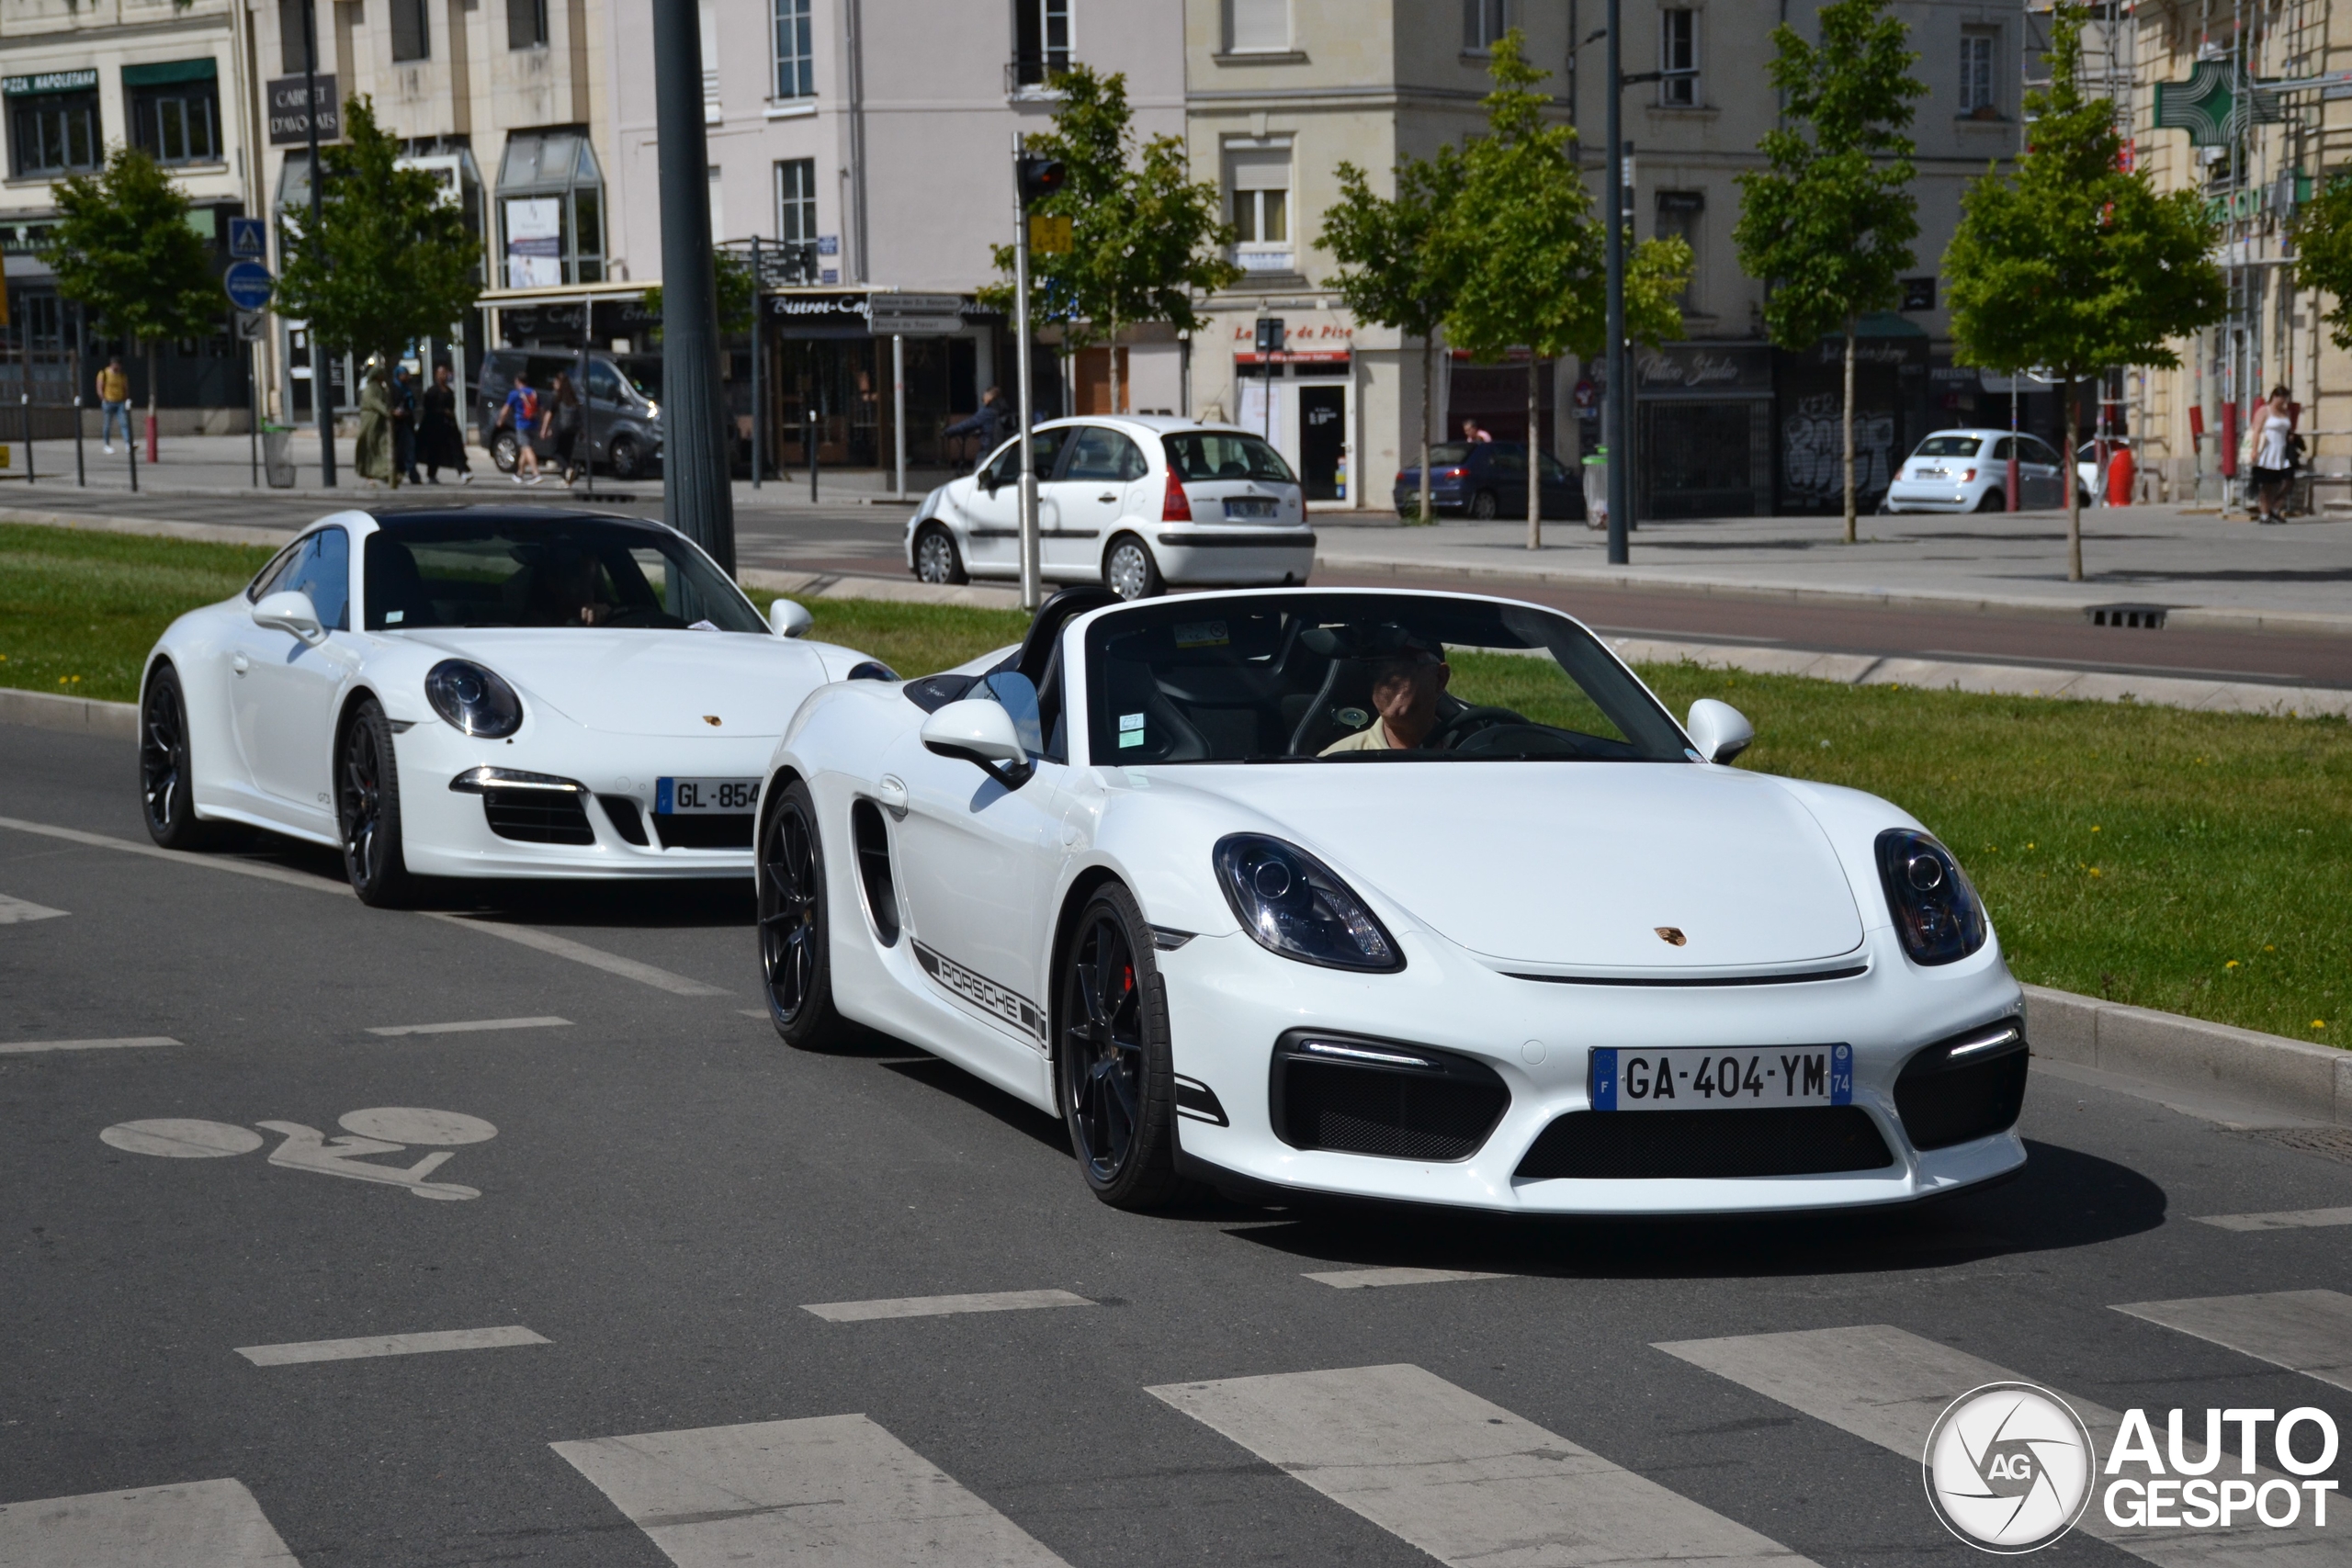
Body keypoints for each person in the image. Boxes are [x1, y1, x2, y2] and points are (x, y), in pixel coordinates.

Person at [1321, 638, 1453, 753]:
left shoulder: (1470, 750)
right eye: (1376, 666)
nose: (1386, 676)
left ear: (1439, 678)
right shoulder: (1336, 764)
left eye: (1401, 664)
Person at [418, 364, 471, 483]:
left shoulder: (449, 391)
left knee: (456, 448)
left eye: (445, 373)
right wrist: (442, 412)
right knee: (434, 451)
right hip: (435, 426)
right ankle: (431, 475)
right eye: (441, 373)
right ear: (436, 375)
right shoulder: (432, 391)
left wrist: (450, 416)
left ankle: (463, 471)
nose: (444, 376)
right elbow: (428, 408)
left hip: (449, 425)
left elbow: (452, 407)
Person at [2251, 385, 2295, 525]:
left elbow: (2289, 428)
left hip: (2282, 451)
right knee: (2267, 485)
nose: (2283, 402)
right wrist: (2254, 449)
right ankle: (2265, 514)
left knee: (2288, 480)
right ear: (2275, 397)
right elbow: (2256, 431)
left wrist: (2291, 437)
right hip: (2267, 451)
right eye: (2282, 399)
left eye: (2285, 399)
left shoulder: (2286, 412)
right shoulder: (2264, 411)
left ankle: (2275, 508)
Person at [354, 357, 397, 486]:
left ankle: (384, 472)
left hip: (379, 421)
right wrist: (388, 412)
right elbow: (375, 402)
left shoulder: (380, 387)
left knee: (381, 445)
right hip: (370, 420)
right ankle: (371, 472)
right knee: (370, 444)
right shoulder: (371, 388)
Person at [943, 386, 1010, 461]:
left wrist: (948, 431)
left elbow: (968, 424)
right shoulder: (1005, 410)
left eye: (985, 396)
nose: (983, 399)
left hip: (988, 451)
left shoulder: (987, 412)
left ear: (990, 397)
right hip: (1004, 450)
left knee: (979, 470)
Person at [542, 370, 584, 485]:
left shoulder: (556, 396)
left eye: (555, 381)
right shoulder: (572, 396)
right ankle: (566, 479)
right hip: (572, 430)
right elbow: (578, 415)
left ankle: (569, 469)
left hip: (559, 427)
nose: (553, 384)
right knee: (567, 453)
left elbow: (549, 414)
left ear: (559, 383)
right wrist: (581, 431)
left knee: (555, 452)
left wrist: (544, 429)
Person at [501, 370, 543, 484]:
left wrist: (501, 420)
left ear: (518, 381)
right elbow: (541, 409)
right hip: (533, 424)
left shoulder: (515, 394)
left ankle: (536, 473)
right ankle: (519, 474)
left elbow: (505, 410)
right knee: (525, 449)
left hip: (522, 424)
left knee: (527, 448)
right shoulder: (534, 393)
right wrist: (543, 424)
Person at [391, 366, 421, 485]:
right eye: (403, 374)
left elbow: (412, 403)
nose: (406, 377)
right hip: (397, 424)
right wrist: (394, 412)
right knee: (399, 450)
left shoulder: (407, 388)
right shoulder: (393, 388)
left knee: (410, 449)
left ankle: (413, 475)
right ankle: (399, 472)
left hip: (407, 422)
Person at [96, 357, 130, 453]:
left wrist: (125, 399)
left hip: (119, 402)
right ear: (112, 364)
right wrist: (103, 399)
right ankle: (106, 445)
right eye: (115, 365)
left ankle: (128, 443)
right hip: (108, 402)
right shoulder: (104, 373)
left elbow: (125, 388)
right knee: (107, 424)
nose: (117, 368)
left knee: (124, 423)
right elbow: (99, 387)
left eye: (119, 366)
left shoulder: (122, 375)